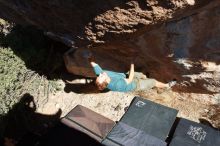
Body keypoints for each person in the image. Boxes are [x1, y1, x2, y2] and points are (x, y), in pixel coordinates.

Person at [89, 60, 176, 92]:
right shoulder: (116, 85)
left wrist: (88, 57)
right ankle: (167, 86)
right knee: (153, 82)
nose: (100, 74)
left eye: (99, 75)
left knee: (142, 75)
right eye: (100, 76)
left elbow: (94, 64)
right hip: (135, 85)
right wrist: (132, 64)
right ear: (105, 81)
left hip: (126, 77)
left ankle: (145, 77)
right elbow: (130, 79)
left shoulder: (102, 74)